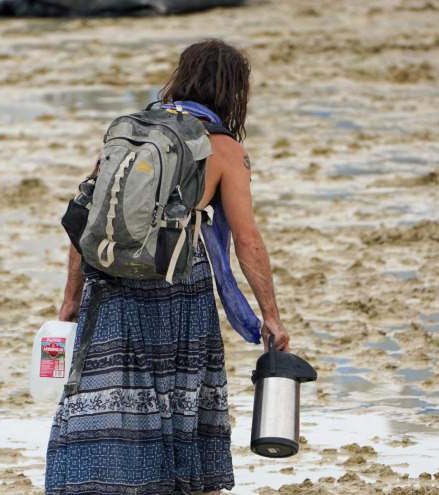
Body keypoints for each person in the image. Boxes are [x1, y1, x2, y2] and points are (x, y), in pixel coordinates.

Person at [46, 38, 290, 495]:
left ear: (181, 77)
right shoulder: (223, 149)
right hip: (180, 284)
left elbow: (86, 219)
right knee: (183, 403)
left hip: (111, 285)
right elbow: (246, 240)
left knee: (114, 402)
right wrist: (270, 316)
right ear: (234, 91)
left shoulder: (131, 132)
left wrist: (70, 300)